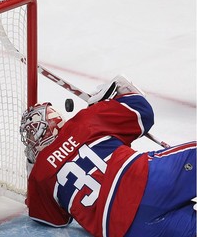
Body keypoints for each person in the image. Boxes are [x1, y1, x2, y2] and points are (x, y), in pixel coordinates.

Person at [20, 75, 196, 237]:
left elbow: (52, 220)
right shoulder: (84, 121)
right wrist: (114, 90)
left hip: (125, 229)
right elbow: (143, 112)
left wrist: (34, 169)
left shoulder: (39, 177)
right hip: (147, 180)